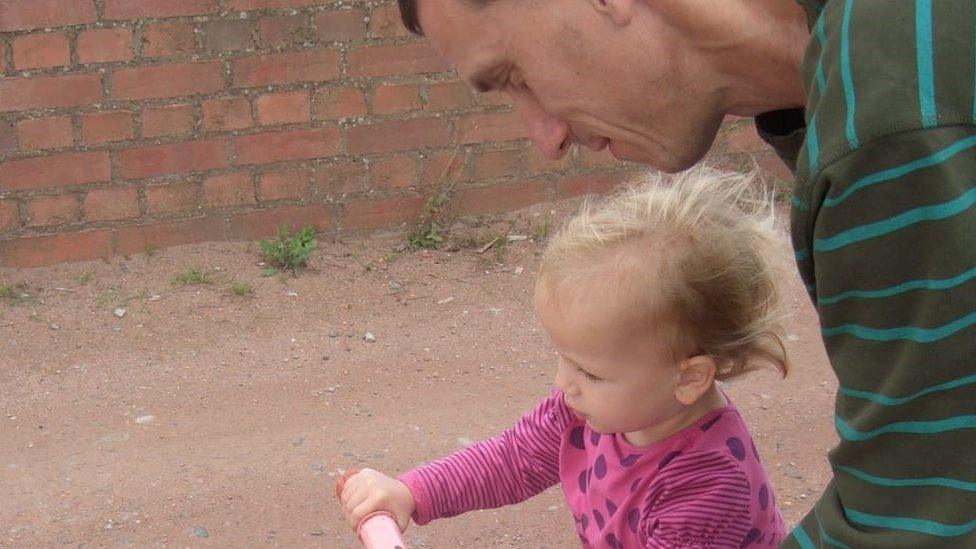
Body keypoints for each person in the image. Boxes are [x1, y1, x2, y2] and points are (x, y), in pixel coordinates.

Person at [391, 1, 976, 547]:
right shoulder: (869, 78)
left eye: (516, 74)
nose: (548, 138)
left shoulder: (894, 125)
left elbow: (911, 517)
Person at [340, 166, 791, 547]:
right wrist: (410, 493)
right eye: (565, 359)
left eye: (590, 372)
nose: (563, 383)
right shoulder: (588, 410)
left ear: (690, 378)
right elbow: (511, 460)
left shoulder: (708, 488)